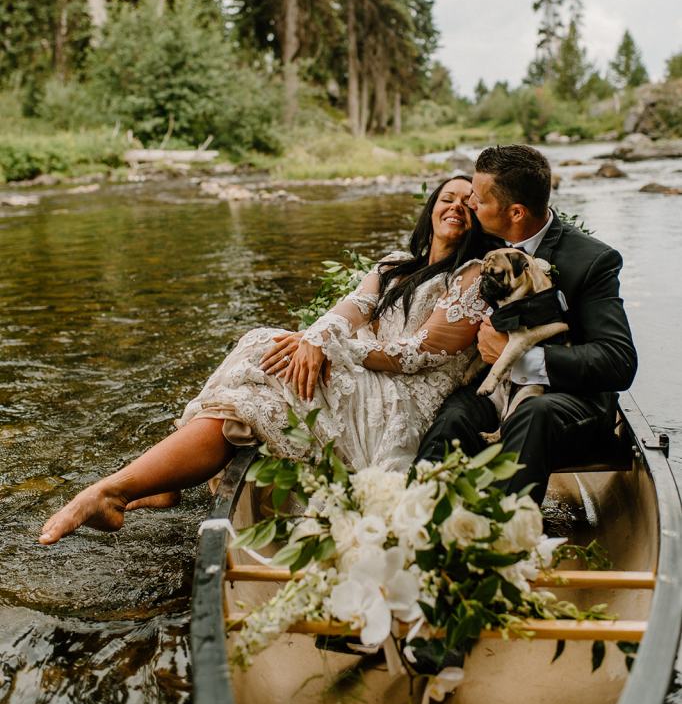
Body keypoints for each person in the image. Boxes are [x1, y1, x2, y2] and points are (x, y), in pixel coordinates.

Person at [40, 176, 492, 545]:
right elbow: (348, 309)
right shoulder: (395, 265)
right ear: (430, 208)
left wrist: (333, 349)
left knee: (263, 366)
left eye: (468, 203)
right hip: (366, 374)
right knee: (264, 358)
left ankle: (131, 487)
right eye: (446, 198)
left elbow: (419, 354)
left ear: (481, 218)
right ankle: (127, 488)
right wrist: (312, 338)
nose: (455, 206)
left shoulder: (474, 274)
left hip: (402, 399)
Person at [417, 145, 638, 505]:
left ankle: (506, 535)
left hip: (568, 402)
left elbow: (618, 361)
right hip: (498, 390)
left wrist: (519, 357)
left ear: (516, 212)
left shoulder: (592, 260)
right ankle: (420, 516)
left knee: (534, 414)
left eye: (479, 199)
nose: (470, 204)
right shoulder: (481, 241)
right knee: (455, 416)